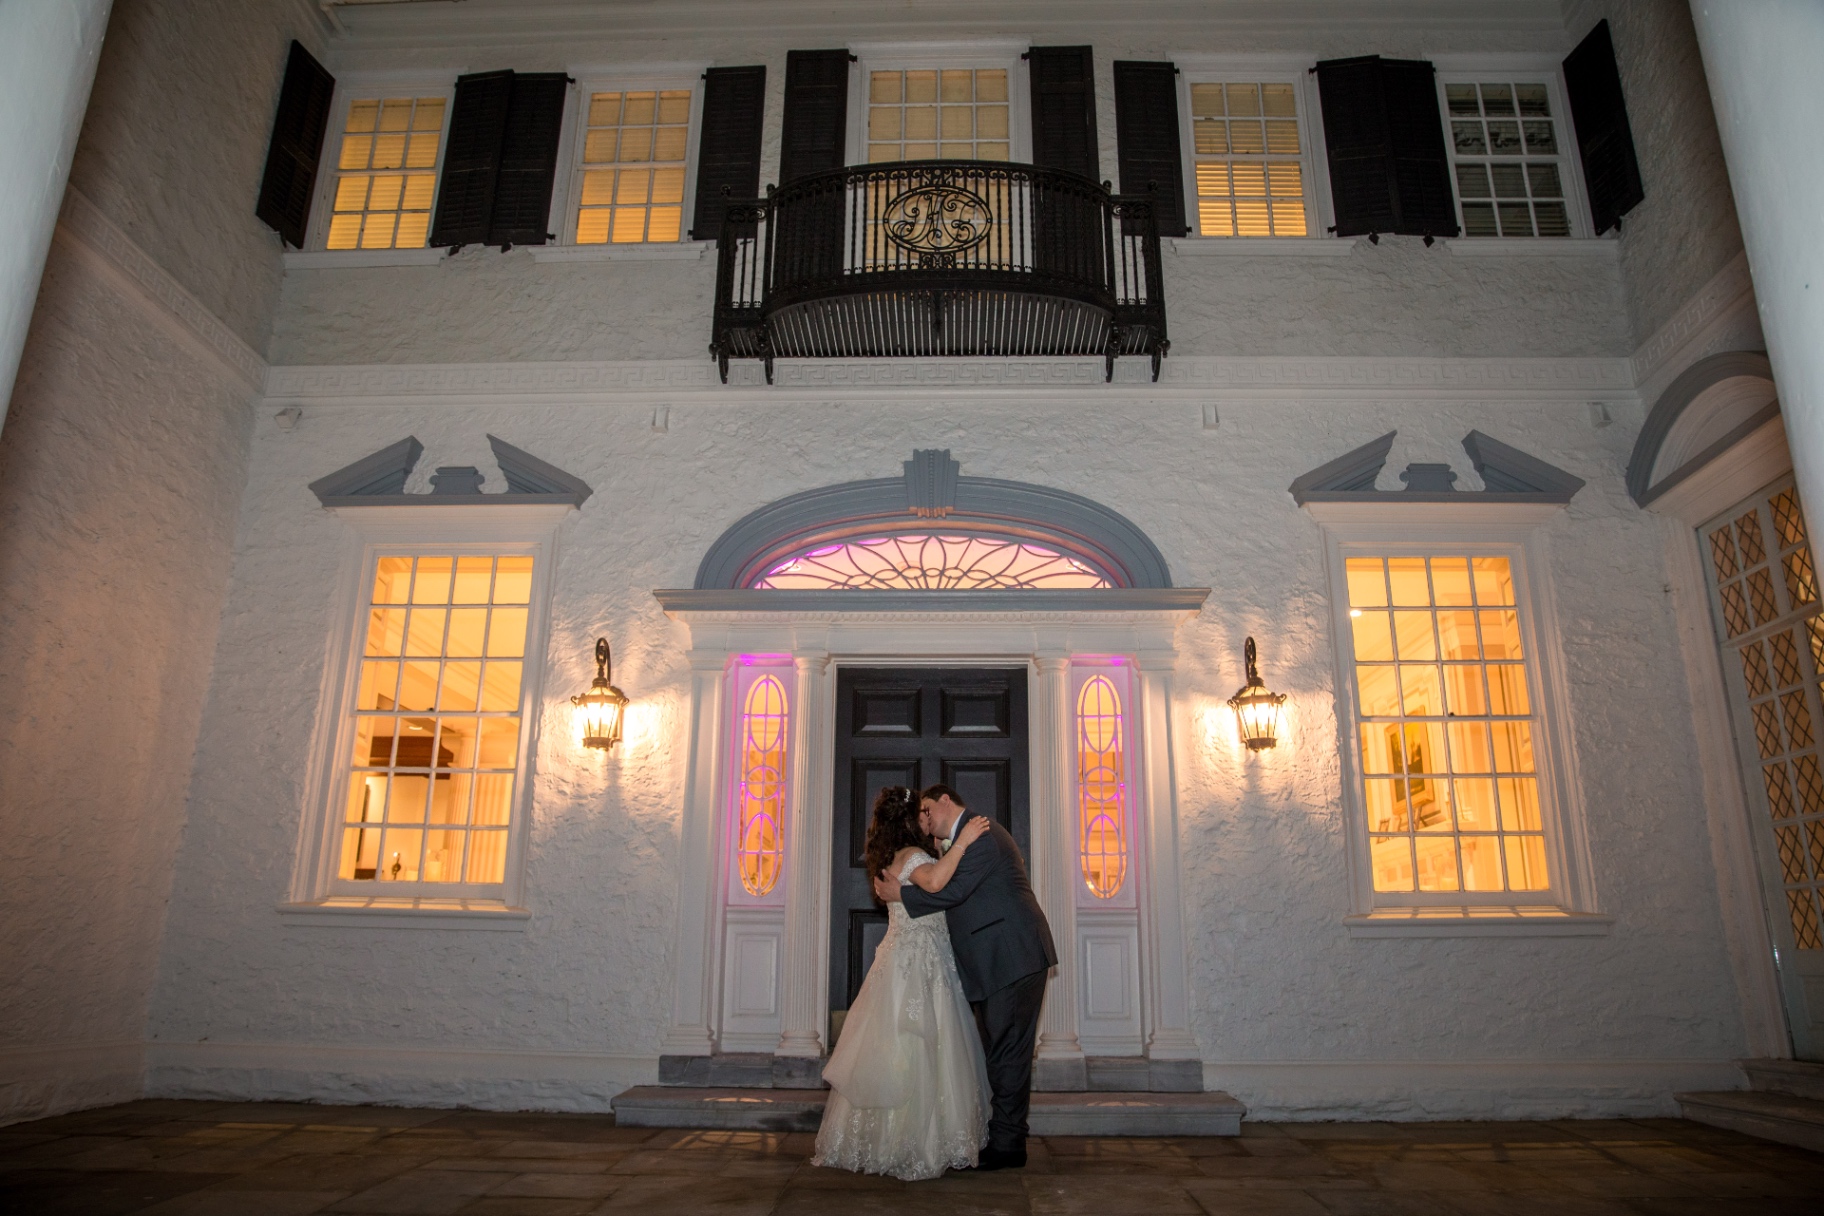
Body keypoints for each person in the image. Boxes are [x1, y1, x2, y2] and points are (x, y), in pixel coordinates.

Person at [812, 786, 994, 1180]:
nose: (928, 820)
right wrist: (962, 841)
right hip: (920, 965)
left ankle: (888, 1140)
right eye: (922, 815)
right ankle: (917, 1143)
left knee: (899, 1051)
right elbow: (933, 883)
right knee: (921, 1049)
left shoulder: (892, 857)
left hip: (902, 961)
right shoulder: (913, 857)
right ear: (911, 821)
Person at [873, 783, 1057, 1171]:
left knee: (1007, 1052)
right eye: (918, 815)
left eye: (927, 809)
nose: (923, 820)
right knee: (1002, 1051)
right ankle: (1005, 1136)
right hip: (1000, 961)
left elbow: (950, 893)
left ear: (944, 800)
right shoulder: (958, 841)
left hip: (1011, 958)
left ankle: (1008, 1146)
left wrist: (900, 896)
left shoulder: (981, 834)